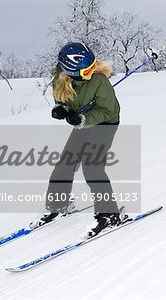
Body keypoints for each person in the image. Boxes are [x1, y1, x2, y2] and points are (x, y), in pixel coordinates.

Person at [30, 42, 128, 238]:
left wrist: (83, 119)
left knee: (92, 166)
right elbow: (62, 97)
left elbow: (109, 110)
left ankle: (110, 215)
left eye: (92, 66)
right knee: (65, 163)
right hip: (84, 123)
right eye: (86, 71)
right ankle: (59, 206)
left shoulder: (99, 80)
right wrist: (62, 108)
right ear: (69, 71)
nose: (91, 72)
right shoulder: (60, 78)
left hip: (106, 122)